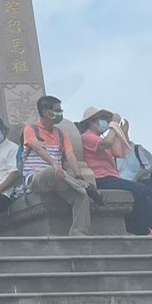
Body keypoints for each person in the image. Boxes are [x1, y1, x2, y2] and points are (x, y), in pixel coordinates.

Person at [76, 107, 152, 235]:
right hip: (101, 178)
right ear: (91, 122)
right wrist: (114, 125)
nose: (104, 122)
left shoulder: (100, 138)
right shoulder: (87, 137)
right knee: (141, 190)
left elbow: (119, 152)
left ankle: (150, 229)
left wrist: (121, 132)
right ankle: (140, 230)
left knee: (145, 193)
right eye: (101, 119)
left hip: (112, 177)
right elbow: (107, 143)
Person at [19, 95, 96, 237]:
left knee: (81, 194)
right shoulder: (31, 129)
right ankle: (88, 188)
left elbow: (70, 155)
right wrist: (54, 163)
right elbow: (37, 148)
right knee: (50, 171)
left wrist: (79, 177)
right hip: (37, 178)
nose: (60, 113)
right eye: (57, 110)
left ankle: (79, 233)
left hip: (60, 176)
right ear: (45, 112)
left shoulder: (61, 134)